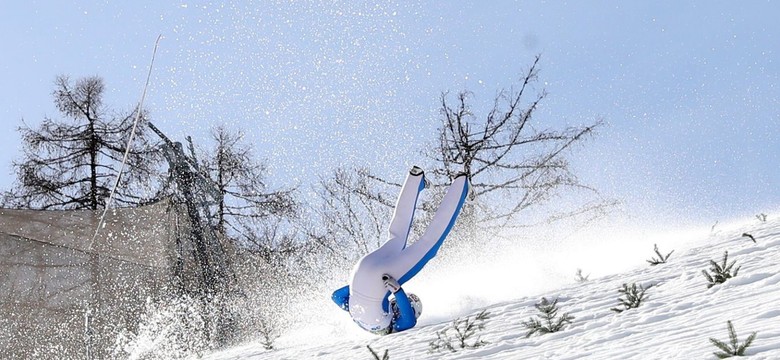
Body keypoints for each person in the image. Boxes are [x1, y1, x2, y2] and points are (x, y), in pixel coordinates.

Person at [331, 166, 470, 335]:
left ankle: (461, 185)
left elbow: (409, 321)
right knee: (396, 237)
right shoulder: (357, 316)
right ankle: (415, 178)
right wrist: (359, 288)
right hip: (360, 271)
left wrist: (396, 291)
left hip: (378, 278)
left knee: (429, 244)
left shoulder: (392, 326)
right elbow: (336, 296)